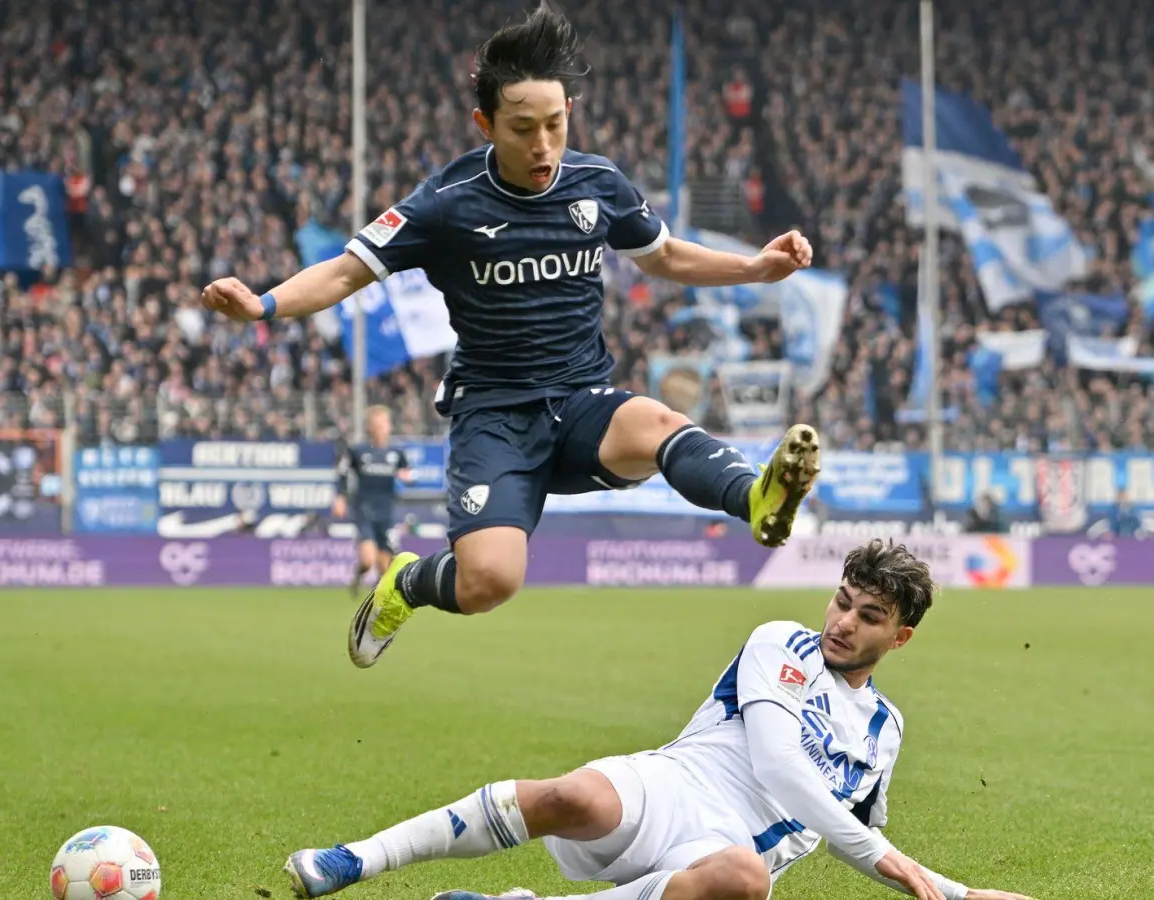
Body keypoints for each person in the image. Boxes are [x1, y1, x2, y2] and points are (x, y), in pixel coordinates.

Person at [202, 2, 822, 669]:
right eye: (523, 128)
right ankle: (406, 582)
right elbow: (347, 272)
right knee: (490, 582)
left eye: (555, 125)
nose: (543, 146)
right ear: (485, 123)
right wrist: (263, 307)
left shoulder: (597, 183)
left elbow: (666, 256)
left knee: (658, 421)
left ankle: (757, 498)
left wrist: (758, 266)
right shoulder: (447, 202)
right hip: (494, 417)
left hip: (583, 404)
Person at [282, 539, 1034, 900]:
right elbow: (777, 768)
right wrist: (890, 865)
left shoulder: (886, 732)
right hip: (674, 787)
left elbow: (862, 828)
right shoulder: (782, 643)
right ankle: (352, 860)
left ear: (899, 638)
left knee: (746, 881)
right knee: (574, 796)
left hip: (723, 851)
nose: (842, 623)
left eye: (869, 617)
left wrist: (962, 893)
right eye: (842, 600)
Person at [334, 405, 415, 596]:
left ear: (389, 426)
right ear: (370, 427)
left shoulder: (397, 454)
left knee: (385, 569)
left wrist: (408, 477)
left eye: (383, 423)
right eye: (376, 424)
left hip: (386, 514)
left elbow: (410, 475)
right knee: (368, 560)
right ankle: (358, 574)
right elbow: (342, 473)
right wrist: (340, 498)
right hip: (364, 511)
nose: (380, 428)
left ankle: (374, 603)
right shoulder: (358, 451)